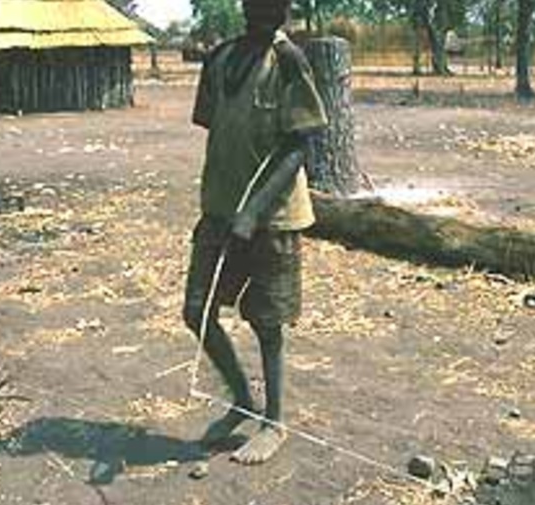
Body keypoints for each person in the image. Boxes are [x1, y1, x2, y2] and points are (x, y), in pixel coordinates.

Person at [183, 0, 328, 465]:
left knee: (267, 322)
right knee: (197, 310)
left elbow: (299, 147)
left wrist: (253, 212)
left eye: (277, 5)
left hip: (273, 218)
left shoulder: (288, 62)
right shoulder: (221, 58)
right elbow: (215, 122)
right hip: (219, 210)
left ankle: (273, 422)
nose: (269, 10)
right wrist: (232, 212)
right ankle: (243, 400)